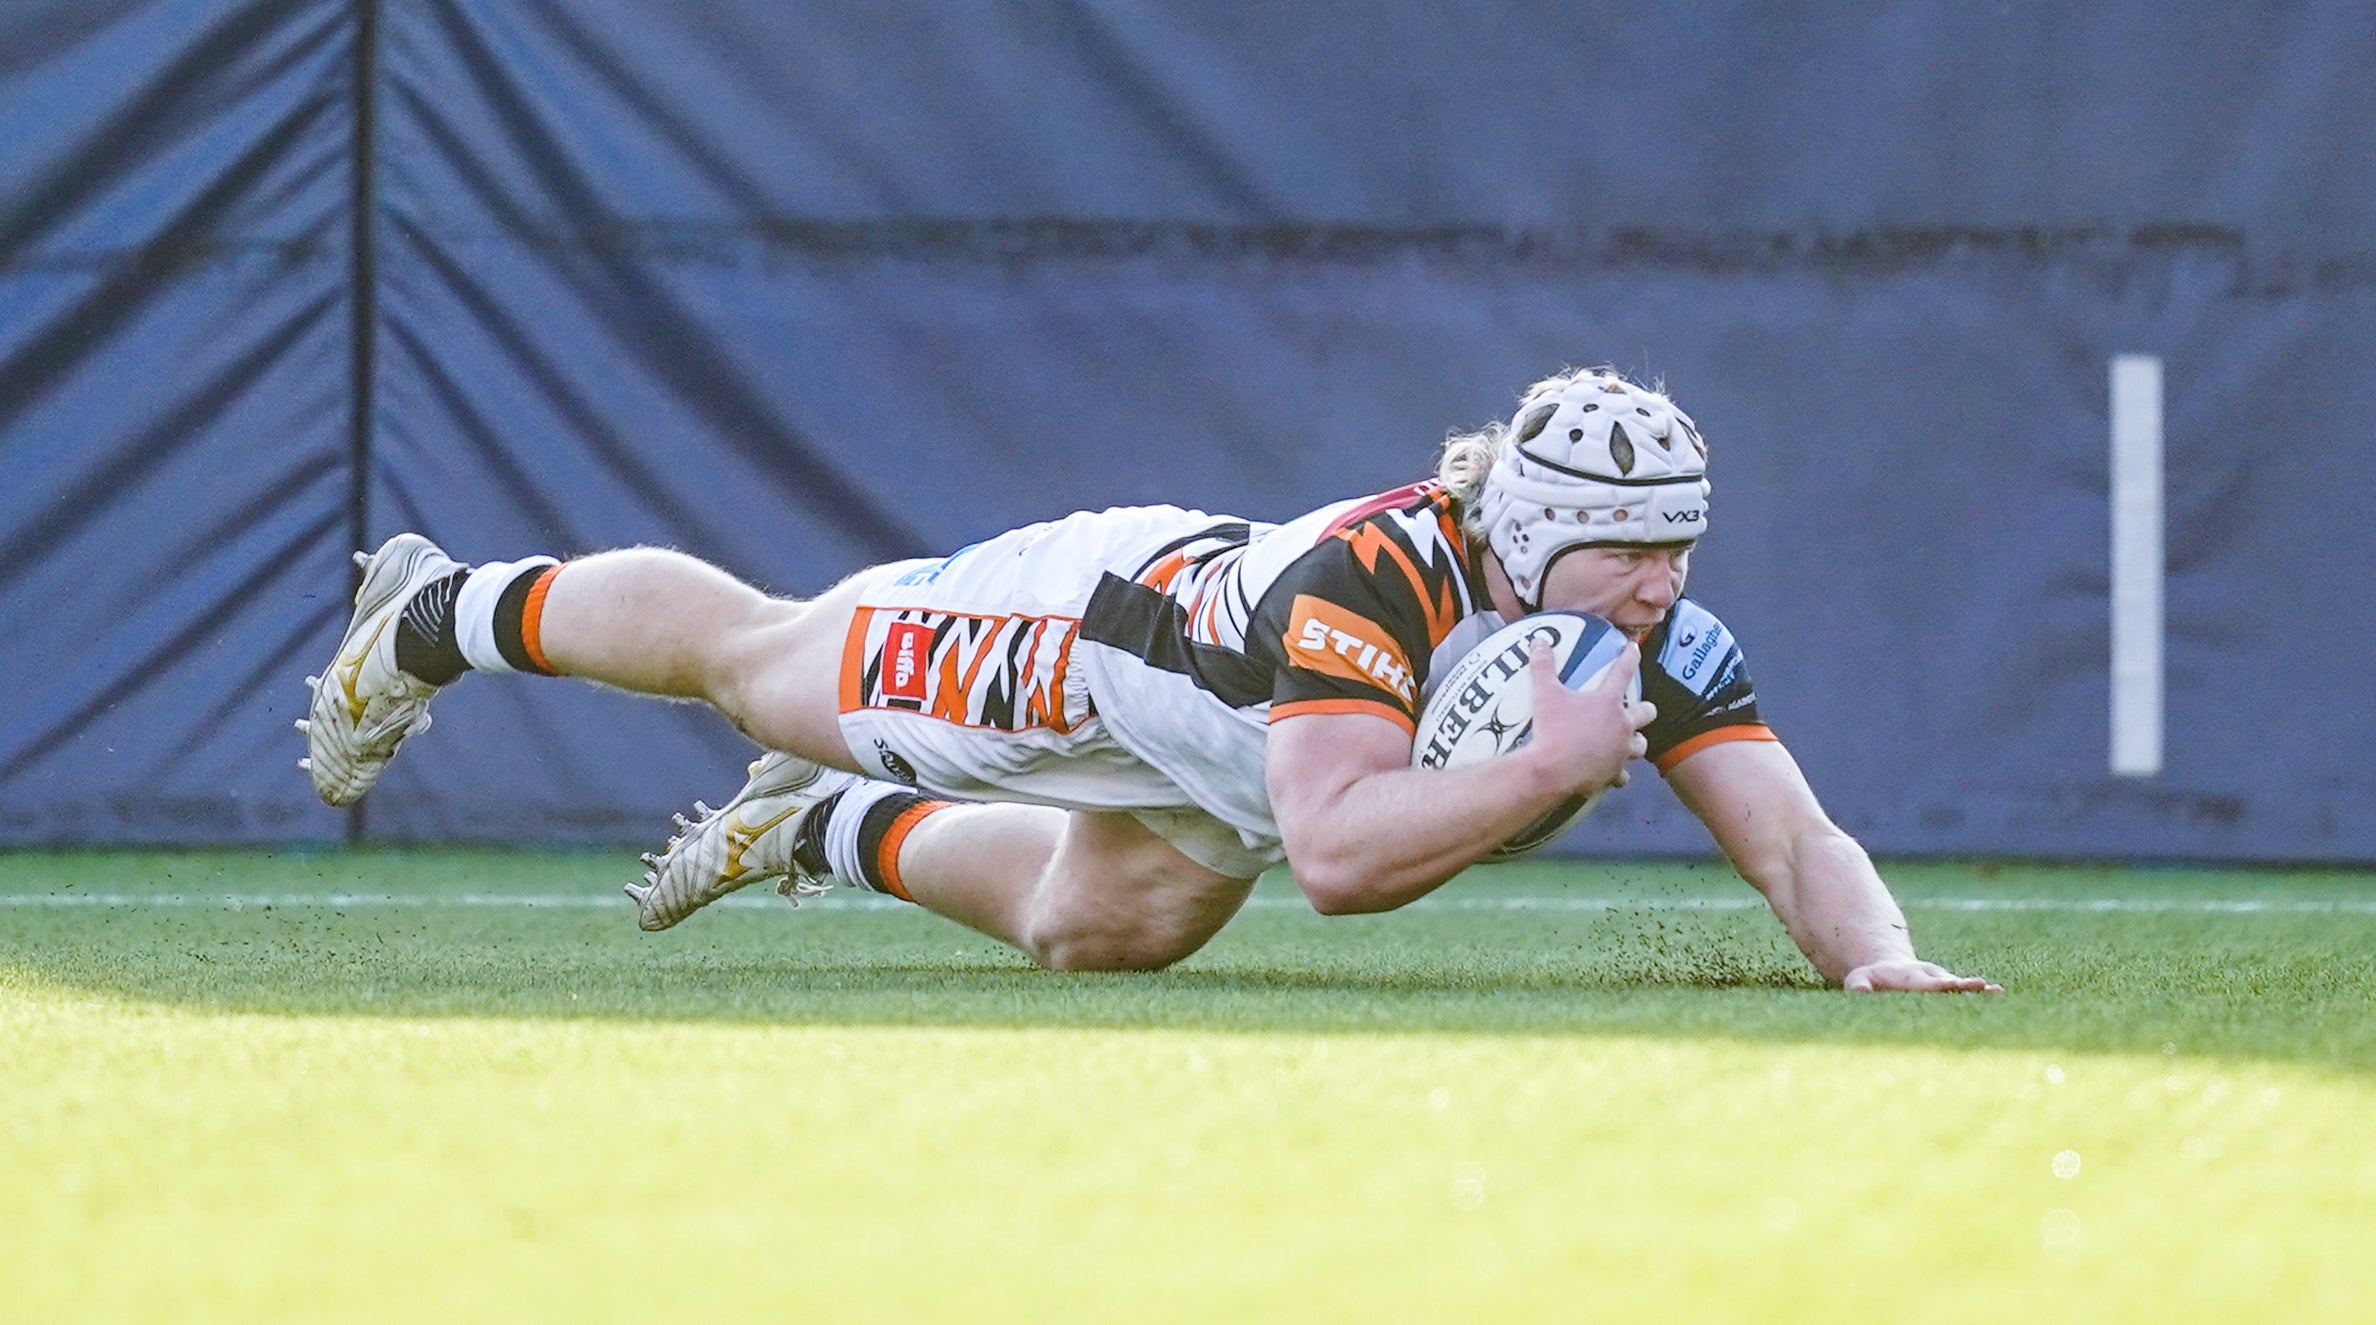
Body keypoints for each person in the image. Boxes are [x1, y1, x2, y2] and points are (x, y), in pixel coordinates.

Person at [299, 367, 1997, 992]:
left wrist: (1883, 956)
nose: (1666, 583)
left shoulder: (1651, 640)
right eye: (1630, 548)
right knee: (757, 663)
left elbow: (1792, 836)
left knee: (1088, 932)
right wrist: (1543, 766)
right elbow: (1337, 863)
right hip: (1093, 637)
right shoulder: (1376, 583)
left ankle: (823, 839)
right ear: (1532, 526)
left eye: (1681, 544)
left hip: (1241, 747)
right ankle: (443, 605)